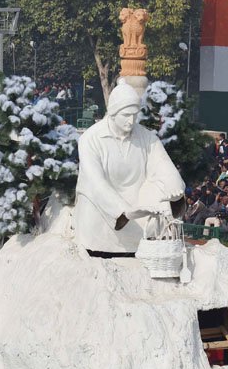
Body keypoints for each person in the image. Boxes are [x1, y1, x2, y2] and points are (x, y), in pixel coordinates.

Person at [73, 80, 185, 256]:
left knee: (161, 198)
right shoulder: (90, 139)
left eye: (134, 115)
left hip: (137, 200)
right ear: (112, 113)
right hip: (104, 206)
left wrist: (175, 187)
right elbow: (96, 183)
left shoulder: (148, 138)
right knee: (90, 198)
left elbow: (164, 167)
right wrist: (123, 209)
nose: (131, 120)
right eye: (126, 115)